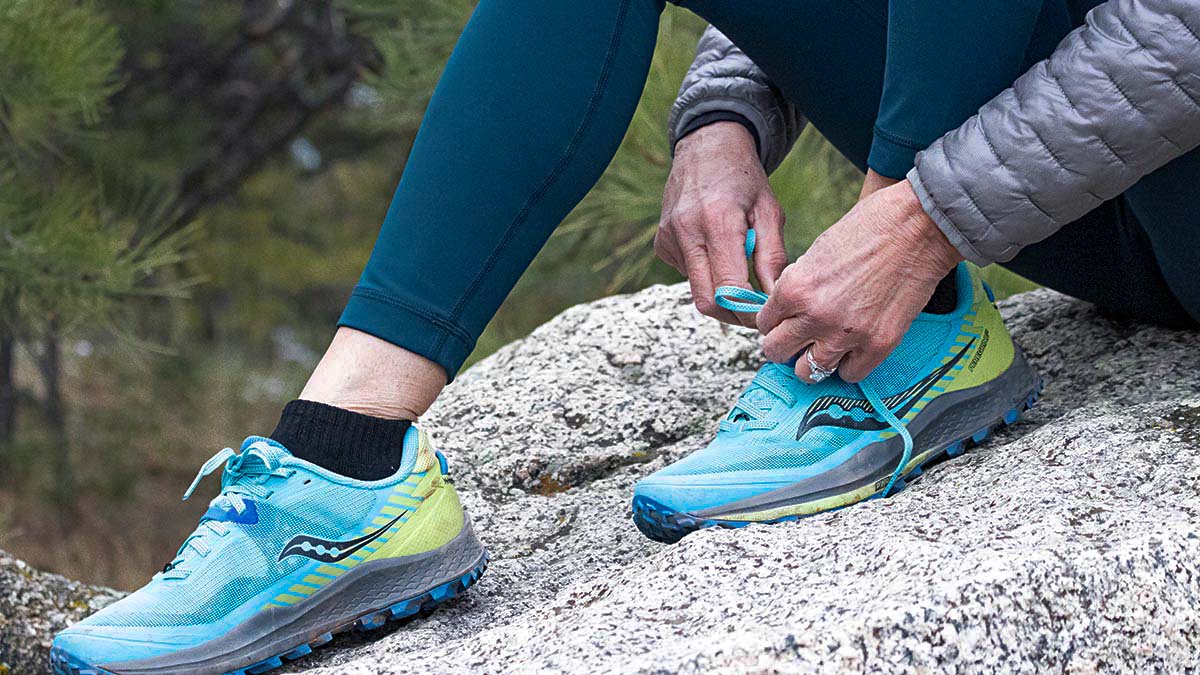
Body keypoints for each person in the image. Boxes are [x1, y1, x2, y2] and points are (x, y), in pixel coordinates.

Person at [51, 0, 1200, 673]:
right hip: (1106, 214)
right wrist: (722, 115)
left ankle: (908, 323)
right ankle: (348, 459)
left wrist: (921, 218)